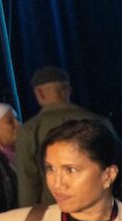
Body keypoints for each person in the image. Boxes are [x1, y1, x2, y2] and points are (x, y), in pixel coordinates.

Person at [15, 66, 114, 207]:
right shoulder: (99, 121)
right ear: (68, 90)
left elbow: (28, 181)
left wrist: (28, 214)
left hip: (56, 209)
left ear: (40, 93)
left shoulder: (30, 130)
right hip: (100, 207)